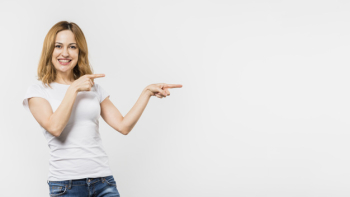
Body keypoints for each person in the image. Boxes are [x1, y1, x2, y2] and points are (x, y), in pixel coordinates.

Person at [22, 21, 182, 197]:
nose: (65, 53)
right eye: (58, 46)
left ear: (79, 52)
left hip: (103, 181)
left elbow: (123, 126)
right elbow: (55, 127)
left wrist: (146, 93)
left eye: (72, 47)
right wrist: (73, 88)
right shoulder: (38, 91)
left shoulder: (93, 89)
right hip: (66, 185)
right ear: (49, 51)